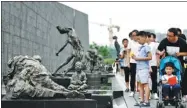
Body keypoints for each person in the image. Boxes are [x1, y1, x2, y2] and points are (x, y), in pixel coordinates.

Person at [157, 27, 187, 101]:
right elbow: (158, 50)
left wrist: (180, 53)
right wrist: (160, 53)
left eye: (170, 36)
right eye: (167, 35)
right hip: (167, 63)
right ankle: (165, 95)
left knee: (181, 78)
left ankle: (182, 94)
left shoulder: (182, 42)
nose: (168, 37)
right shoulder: (164, 41)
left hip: (178, 63)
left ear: (175, 36)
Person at [132, 31, 152, 107]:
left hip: (144, 69)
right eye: (137, 39)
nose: (138, 41)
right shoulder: (141, 47)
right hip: (139, 68)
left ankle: (146, 101)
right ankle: (142, 101)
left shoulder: (146, 46)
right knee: (140, 85)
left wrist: (137, 58)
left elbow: (150, 57)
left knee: (146, 84)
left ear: (144, 37)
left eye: (139, 39)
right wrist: (135, 57)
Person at [128, 30, 141, 97]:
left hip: (140, 62)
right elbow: (128, 52)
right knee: (132, 77)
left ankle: (140, 91)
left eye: (135, 35)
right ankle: (132, 90)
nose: (133, 37)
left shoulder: (141, 42)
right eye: (132, 35)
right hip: (132, 62)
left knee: (140, 77)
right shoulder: (130, 42)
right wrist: (128, 62)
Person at [147, 33, 159, 99]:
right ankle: (148, 93)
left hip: (153, 63)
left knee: (154, 79)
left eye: (150, 37)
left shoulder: (154, 44)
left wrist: (158, 62)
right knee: (146, 79)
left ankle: (154, 93)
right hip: (145, 64)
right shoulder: (143, 45)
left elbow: (158, 52)